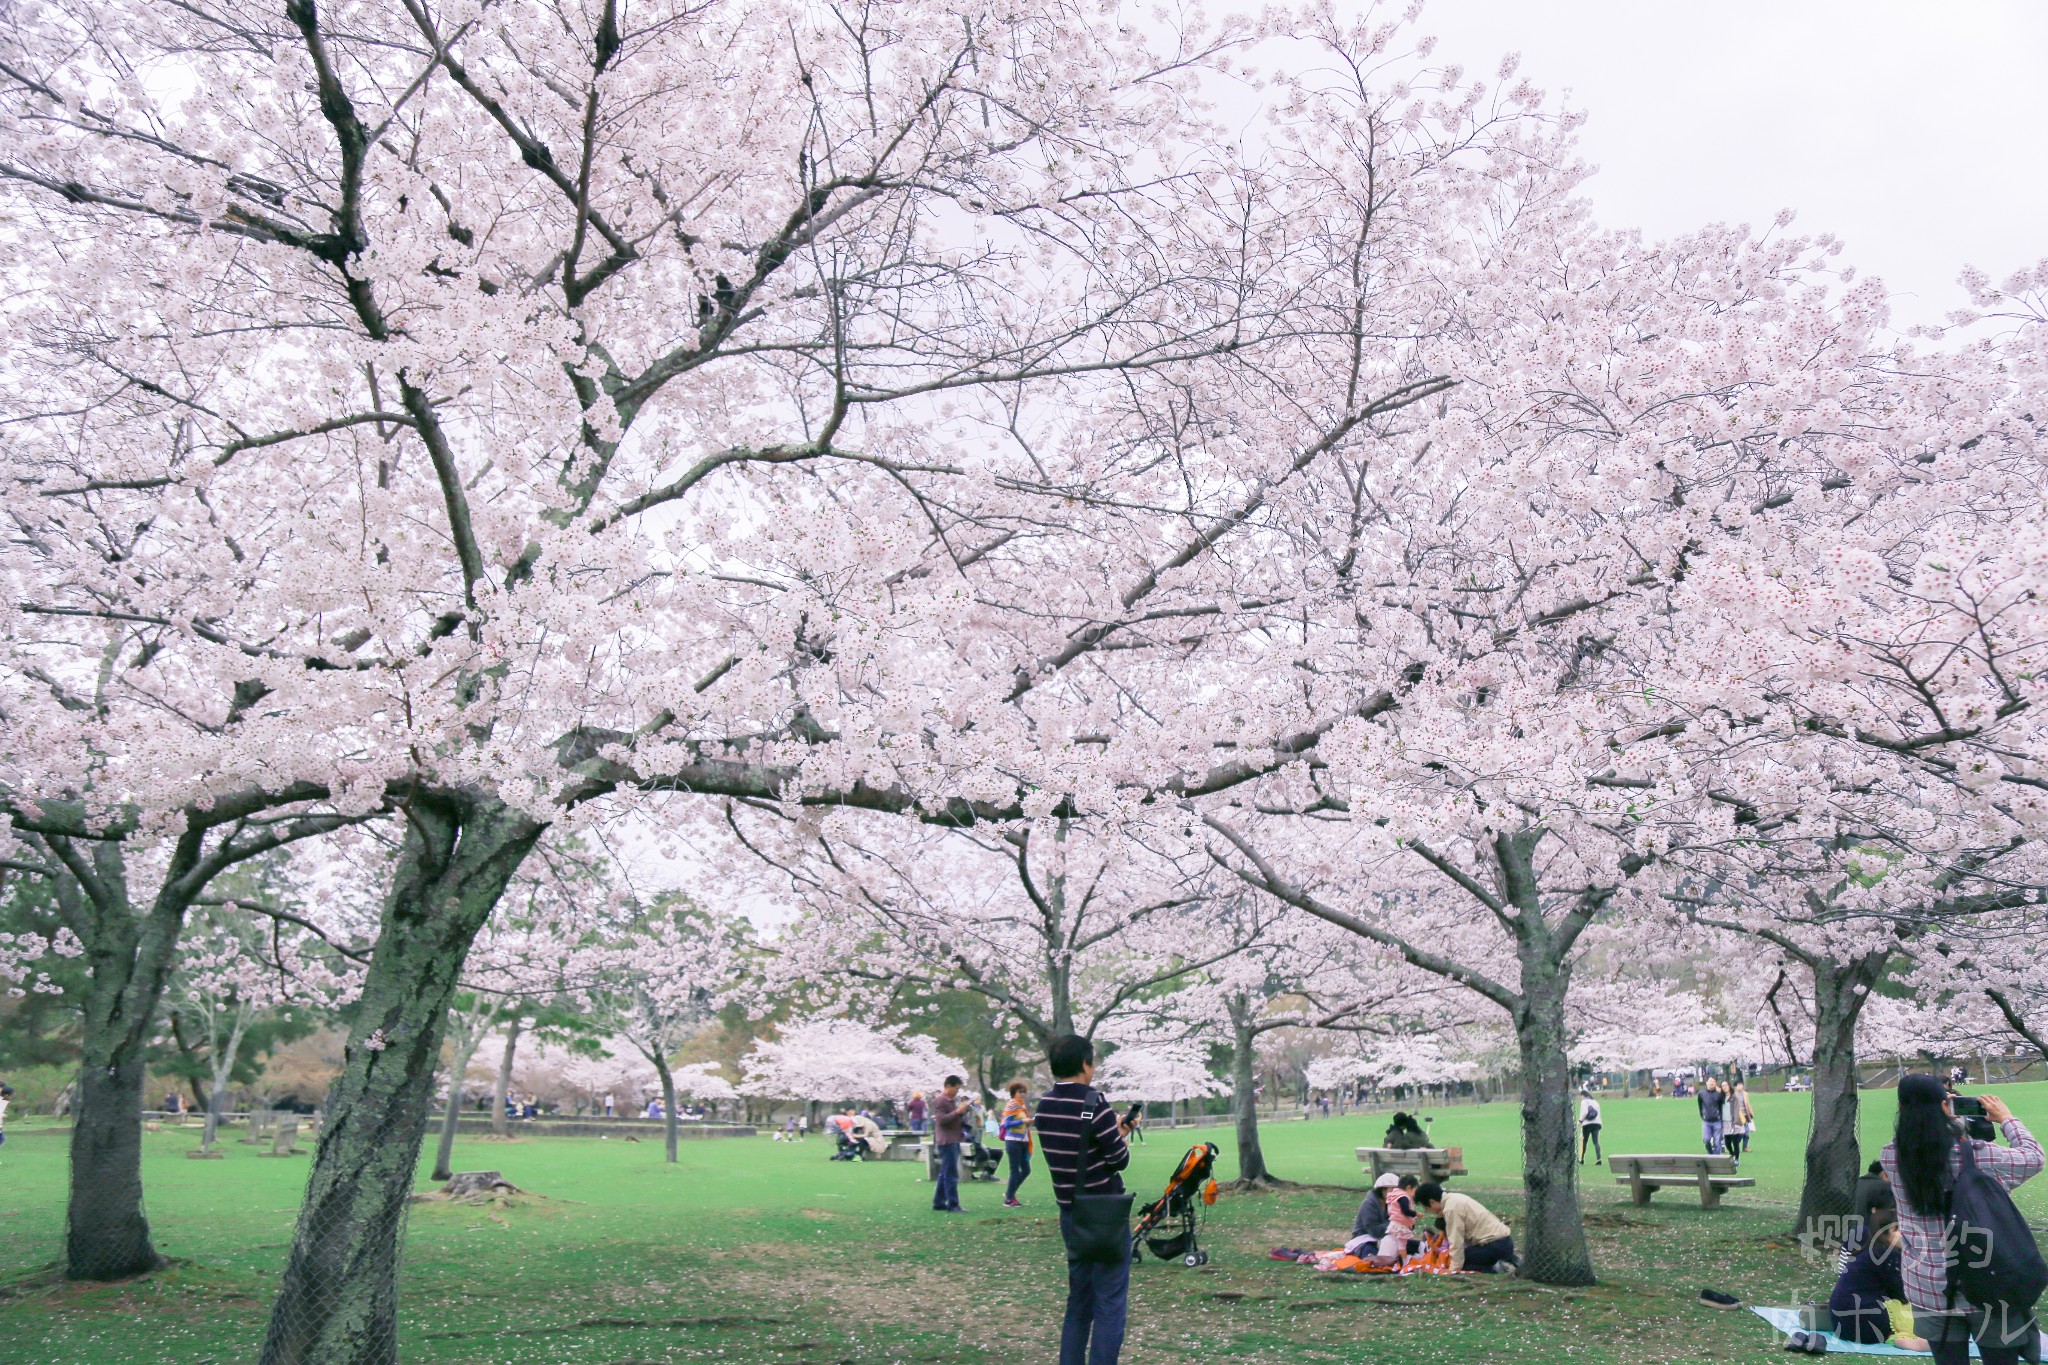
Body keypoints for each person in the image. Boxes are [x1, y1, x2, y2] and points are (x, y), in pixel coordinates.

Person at [1882, 1074, 2044, 1365]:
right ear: (1946, 1106)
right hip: (1987, 1281)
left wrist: (1945, 1120)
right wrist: (2006, 1118)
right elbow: (2033, 1158)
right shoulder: (1978, 1155)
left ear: (1900, 1107)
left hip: (1927, 1286)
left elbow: (1928, 1153)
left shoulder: (1891, 1157)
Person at [1033, 1033, 1134, 1365]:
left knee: (1079, 1301)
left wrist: (1110, 1134)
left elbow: (1075, 1148)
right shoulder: (1095, 1103)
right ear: (1084, 1064)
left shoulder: (1044, 1107)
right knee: (1110, 1302)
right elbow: (1118, 1160)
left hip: (1071, 1213)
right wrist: (1120, 1134)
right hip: (1104, 1214)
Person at [1826, 1216, 1930, 1350]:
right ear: (1885, 1233)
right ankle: (1908, 1340)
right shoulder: (1886, 1254)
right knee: (1907, 1311)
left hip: (1841, 1325)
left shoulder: (1870, 1250)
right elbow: (1902, 1294)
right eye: (1899, 1230)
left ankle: (1901, 1337)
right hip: (1866, 1322)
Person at [1415, 1182, 1518, 1275]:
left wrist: (1454, 1270)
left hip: (1493, 1245)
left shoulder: (1451, 1209)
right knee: (1462, 1256)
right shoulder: (1453, 1198)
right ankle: (1507, 1259)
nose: (1428, 1211)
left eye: (1426, 1208)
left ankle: (1497, 1268)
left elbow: (1456, 1241)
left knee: (1460, 1261)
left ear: (1432, 1202)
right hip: (1504, 1242)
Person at [930, 1076, 967, 1212]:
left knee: (944, 1173)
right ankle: (953, 1204)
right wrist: (957, 1111)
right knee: (951, 1174)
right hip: (947, 1141)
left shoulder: (950, 1100)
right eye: (956, 1088)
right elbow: (941, 1120)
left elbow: (952, 1117)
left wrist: (962, 1112)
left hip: (953, 1139)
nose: (957, 1091)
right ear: (949, 1086)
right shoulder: (941, 1100)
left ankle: (938, 1202)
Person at [1347, 1172, 1399, 1256]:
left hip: (1384, 1239)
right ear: (1382, 1190)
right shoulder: (1368, 1204)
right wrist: (1396, 1224)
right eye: (1392, 1190)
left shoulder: (1392, 1204)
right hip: (1364, 1240)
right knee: (1371, 1254)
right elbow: (1374, 1231)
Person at [1000, 1081, 1035, 1207]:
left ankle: (1010, 1192)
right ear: (1014, 1092)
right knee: (1015, 1171)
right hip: (1013, 1141)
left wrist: (1028, 1121)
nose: (1022, 1094)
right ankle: (1009, 1198)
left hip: (1023, 1141)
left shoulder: (1022, 1106)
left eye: (1023, 1092)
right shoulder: (1012, 1105)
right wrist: (1023, 1121)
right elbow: (1006, 1124)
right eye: (1020, 1092)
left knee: (1026, 1170)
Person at [1723, 1080, 1754, 1168]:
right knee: (1727, 1142)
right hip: (1725, 1122)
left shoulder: (1735, 1096)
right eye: (1723, 1086)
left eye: (1726, 1085)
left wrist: (1750, 1113)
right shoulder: (1721, 1097)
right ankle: (1732, 1153)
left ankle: (1738, 1157)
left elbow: (1745, 1105)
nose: (1724, 1087)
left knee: (1738, 1139)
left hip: (1738, 1119)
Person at [1697, 1077, 1726, 1155]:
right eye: (1710, 1081)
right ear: (1706, 1082)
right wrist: (1702, 1116)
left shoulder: (1719, 1094)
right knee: (1706, 1140)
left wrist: (1722, 1092)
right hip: (1706, 1121)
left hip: (1717, 1121)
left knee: (1717, 1142)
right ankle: (1710, 1154)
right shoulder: (1701, 1093)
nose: (1711, 1083)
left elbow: (1723, 1105)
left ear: (1715, 1083)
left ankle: (1716, 1158)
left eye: (1713, 1081)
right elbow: (1700, 1105)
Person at [1578, 1093, 1604, 1165]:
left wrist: (1580, 1121)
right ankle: (1599, 1158)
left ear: (1583, 1095)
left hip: (1587, 1124)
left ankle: (1581, 1159)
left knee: (1584, 1142)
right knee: (1596, 1141)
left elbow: (1585, 1112)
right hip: (1597, 1123)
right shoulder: (1595, 1102)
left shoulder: (1584, 1102)